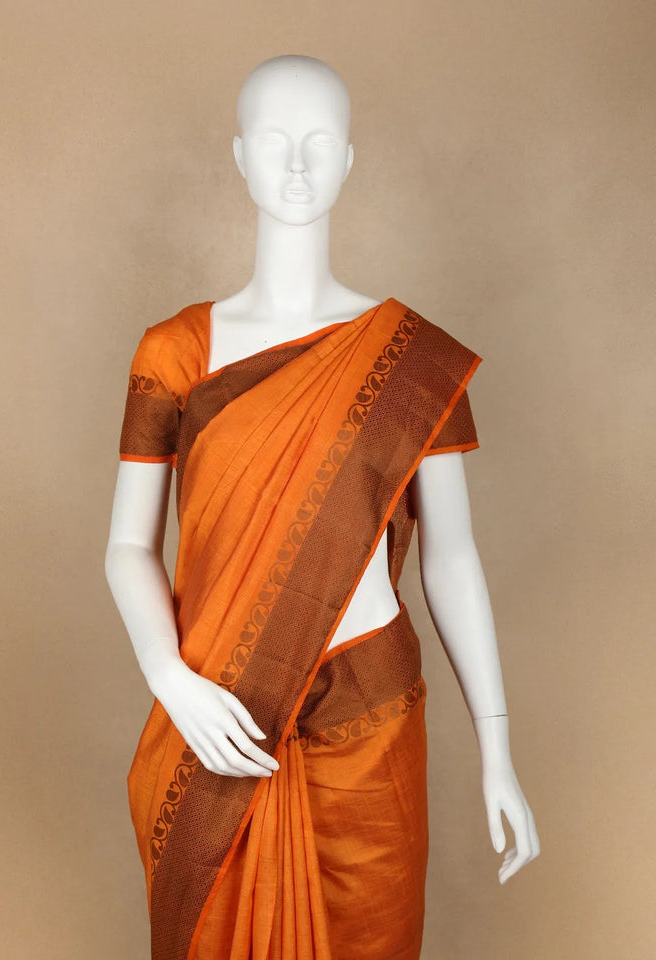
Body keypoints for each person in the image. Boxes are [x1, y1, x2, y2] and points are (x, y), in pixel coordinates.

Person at [105, 53, 539, 960]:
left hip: (369, 721)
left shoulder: (415, 363)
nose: (297, 165)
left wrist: (498, 749)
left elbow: (453, 559)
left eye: (318, 143)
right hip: (217, 710)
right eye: (274, 141)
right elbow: (128, 547)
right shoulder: (176, 353)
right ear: (239, 156)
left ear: (347, 160)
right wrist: (169, 678)